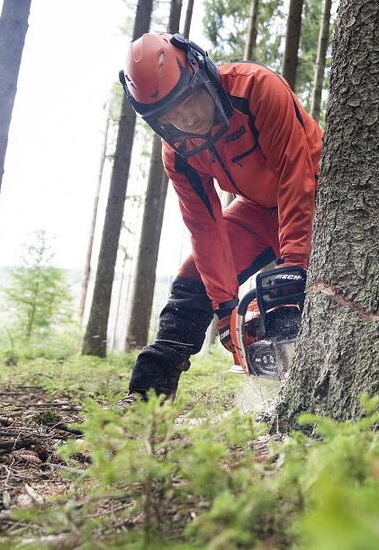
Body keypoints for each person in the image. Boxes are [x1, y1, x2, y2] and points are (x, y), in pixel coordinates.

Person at [118, 32, 323, 400]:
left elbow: (296, 174)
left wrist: (294, 263)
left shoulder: (256, 89)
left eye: (189, 100)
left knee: (296, 288)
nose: (188, 119)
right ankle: (148, 394)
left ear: (202, 73)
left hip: (318, 195)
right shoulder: (178, 153)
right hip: (260, 210)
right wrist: (224, 305)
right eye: (169, 115)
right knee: (192, 276)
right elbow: (204, 227)